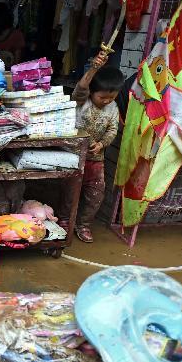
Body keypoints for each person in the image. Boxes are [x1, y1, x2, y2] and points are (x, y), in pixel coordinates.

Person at [61, 52, 124, 243]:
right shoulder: (82, 101)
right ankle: (65, 220)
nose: (106, 101)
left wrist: (102, 144)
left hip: (96, 160)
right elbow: (81, 88)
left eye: (111, 97)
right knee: (70, 192)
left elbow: (113, 130)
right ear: (92, 93)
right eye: (102, 97)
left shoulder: (113, 108)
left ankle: (84, 224)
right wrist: (94, 68)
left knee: (95, 194)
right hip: (74, 155)